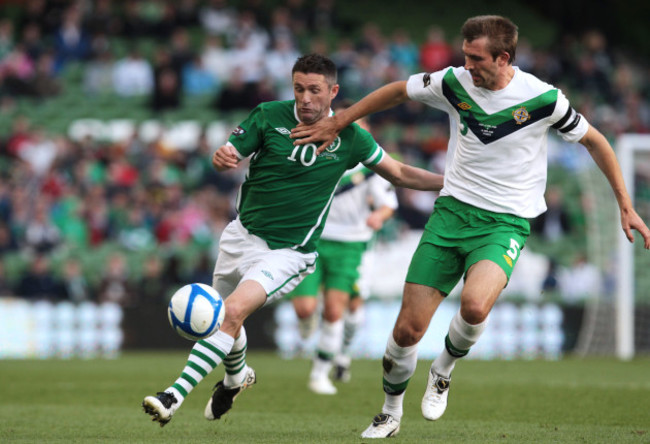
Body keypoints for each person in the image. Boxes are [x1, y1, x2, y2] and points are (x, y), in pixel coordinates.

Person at [290, 16, 650, 439]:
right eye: (464, 55)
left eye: (476, 58)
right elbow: (395, 91)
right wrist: (340, 120)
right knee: (407, 331)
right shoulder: (452, 82)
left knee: (476, 306)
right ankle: (390, 412)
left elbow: (595, 141)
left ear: (503, 57)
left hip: (505, 223)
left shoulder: (544, 99)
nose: (467, 64)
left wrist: (625, 204)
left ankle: (442, 370)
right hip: (450, 215)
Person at [141, 53, 444, 427]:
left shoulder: (350, 138)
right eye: (299, 88)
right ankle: (236, 378)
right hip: (240, 236)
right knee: (223, 317)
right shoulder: (268, 114)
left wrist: (452, 182)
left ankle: (173, 396)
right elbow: (230, 153)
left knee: (232, 312)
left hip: (289, 252)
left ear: (332, 91)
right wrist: (223, 158)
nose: (305, 98)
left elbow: (397, 173)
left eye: (314, 90)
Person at [287, 100, 399, 395]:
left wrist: (379, 215)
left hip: (353, 244)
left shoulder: (371, 165)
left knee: (338, 309)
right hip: (314, 240)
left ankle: (323, 371)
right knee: (304, 308)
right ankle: (310, 324)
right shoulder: (315, 154)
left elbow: (389, 203)